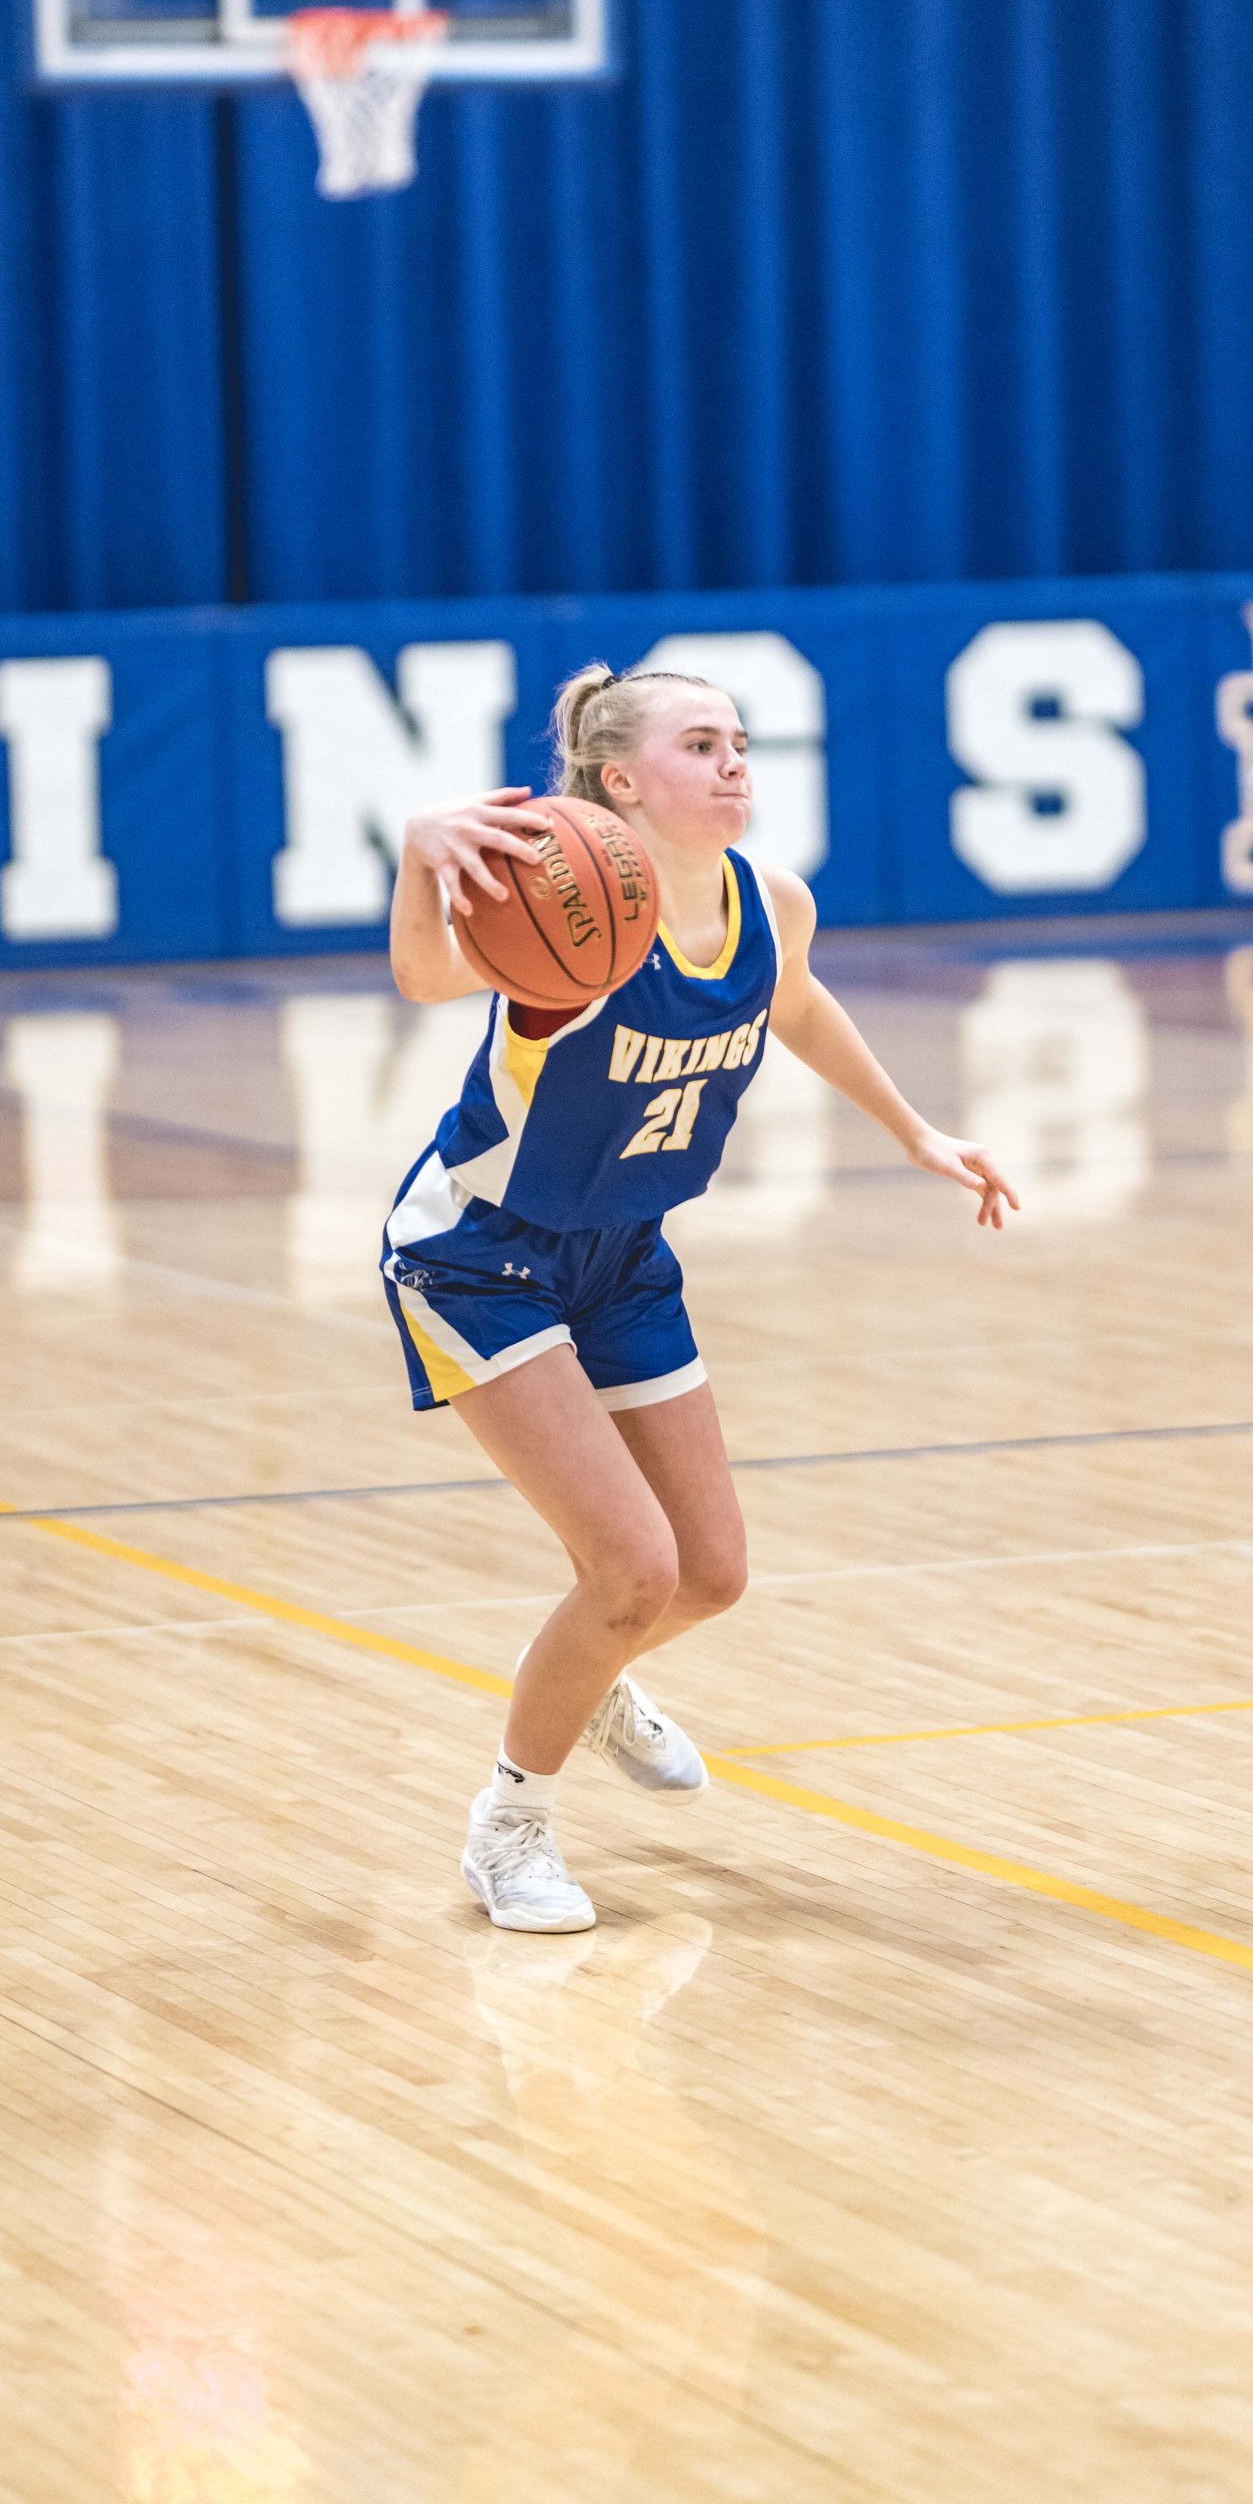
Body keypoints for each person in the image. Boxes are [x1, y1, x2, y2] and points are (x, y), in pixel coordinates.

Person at [383, 663, 1019, 1934]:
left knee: (709, 1576)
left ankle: (596, 1665)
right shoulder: (565, 914)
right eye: (700, 744)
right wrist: (417, 852)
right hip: (480, 1254)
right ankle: (508, 1830)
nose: (735, 764)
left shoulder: (769, 902)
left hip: (623, 1252)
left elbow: (797, 1004)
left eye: (740, 742)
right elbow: (424, 978)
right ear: (620, 781)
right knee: (631, 1565)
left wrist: (913, 1131)